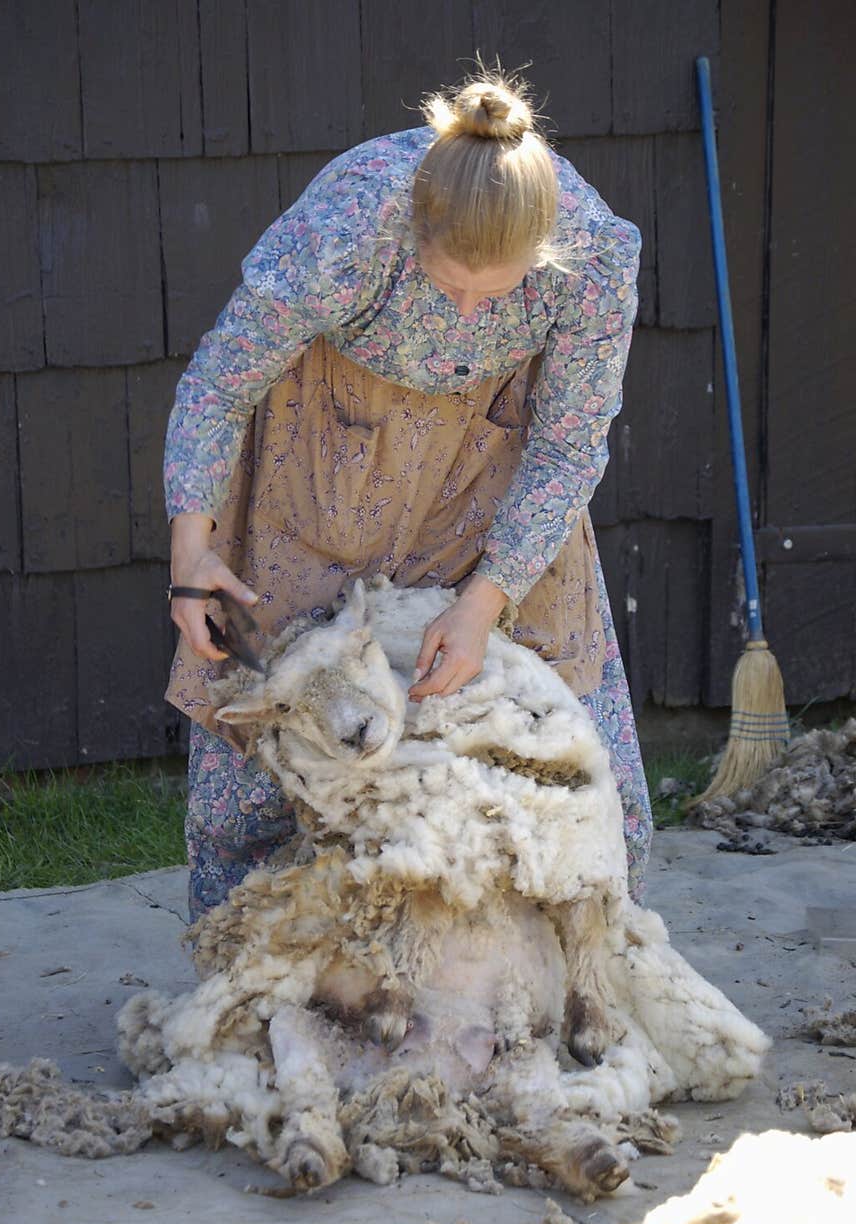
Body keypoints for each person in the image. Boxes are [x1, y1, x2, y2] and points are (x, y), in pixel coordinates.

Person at [163, 65, 652, 925]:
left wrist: (483, 604)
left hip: (489, 466)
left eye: (492, 293)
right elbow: (219, 381)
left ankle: (559, 982)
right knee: (268, 753)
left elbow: (571, 441)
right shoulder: (354, 223)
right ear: (413, 229)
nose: (467, 311)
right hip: (323, 459)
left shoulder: (595, 259)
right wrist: (191, 552)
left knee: (576, 755)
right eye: (447, 282)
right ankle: (242, 977)